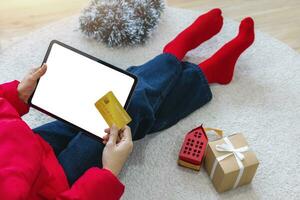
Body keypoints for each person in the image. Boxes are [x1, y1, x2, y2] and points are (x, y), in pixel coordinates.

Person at [0, 8, 254, 199]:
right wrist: (108, 173)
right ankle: (182, 60)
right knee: (125, 112)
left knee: (107, 94)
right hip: (53, 182)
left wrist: (14, 96)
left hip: (27, 141)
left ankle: (193, 65)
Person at [0, 65, 132, 199]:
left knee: (117, 90)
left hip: (24, 140)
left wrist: (16, 95)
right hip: (52, 188)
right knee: (130, 105)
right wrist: (108, 174)